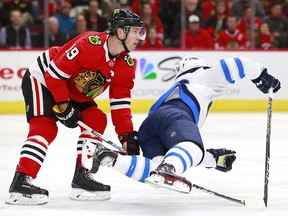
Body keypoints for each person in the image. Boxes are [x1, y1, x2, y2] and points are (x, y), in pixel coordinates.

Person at [5, 8, 146, 205]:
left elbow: (120, 104)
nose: (140, 37)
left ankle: (82, 176)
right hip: (43, 79)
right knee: (45, 127)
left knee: (97, 119)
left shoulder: (127, 65)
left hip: (73, 90)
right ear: (120, 32)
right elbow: (54, 75)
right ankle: (20, 182)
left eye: (141, 32)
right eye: (136, 31)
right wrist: (64, 106)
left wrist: (126, 136)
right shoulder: (89, 44)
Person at [88, 55, 281, 193]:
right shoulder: (204, 75)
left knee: (156, 175)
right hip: (176, 116)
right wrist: (261, 76)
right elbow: (237, 64)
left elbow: (176, 147)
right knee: (191, 149)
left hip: (150, 126)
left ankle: (110, 158)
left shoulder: (175, 86)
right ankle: (168, 168)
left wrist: (212, 159)